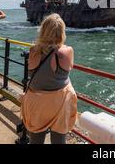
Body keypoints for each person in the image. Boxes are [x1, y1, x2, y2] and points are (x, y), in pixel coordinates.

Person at [20, 14, 77, 144]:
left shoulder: (33, 50)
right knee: (58, 140)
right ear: (61, 31)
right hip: (59, 101)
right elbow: (69, 67)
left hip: (36, 101)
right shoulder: (67, 51)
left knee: (36, 140)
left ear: (43, 30)